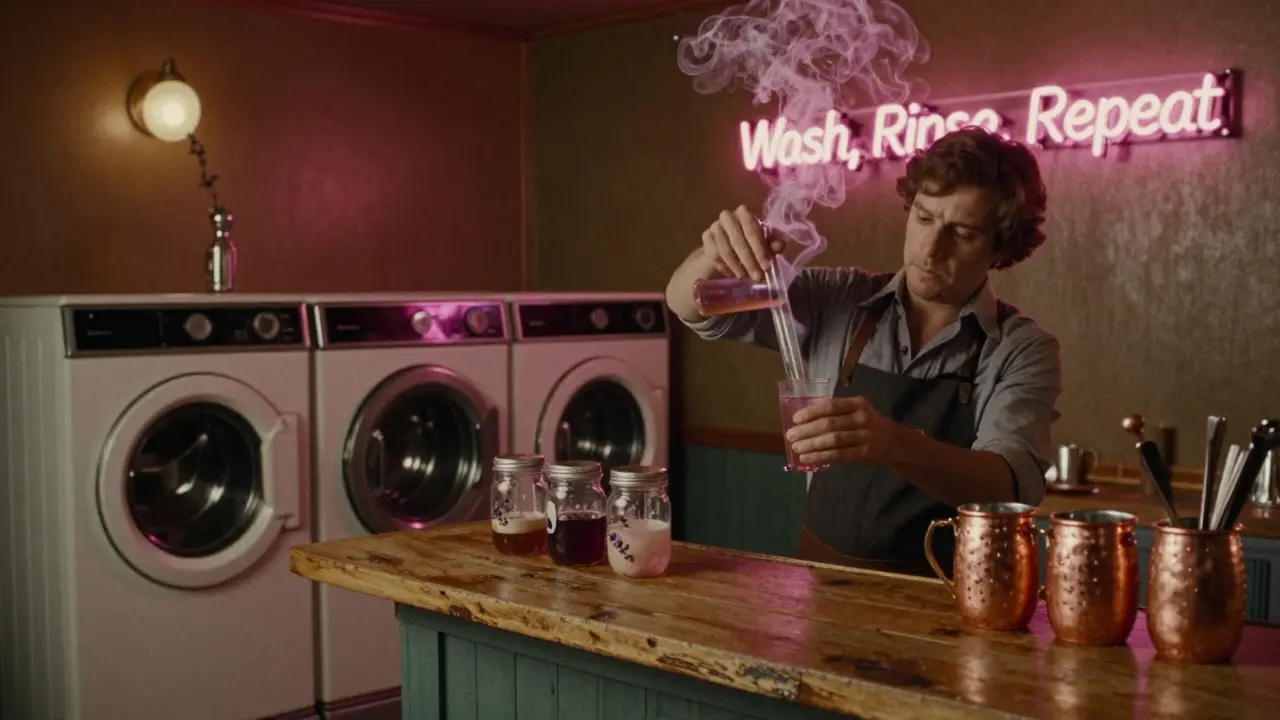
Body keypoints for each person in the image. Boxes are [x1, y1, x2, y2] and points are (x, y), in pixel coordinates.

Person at [665, 126, 1063, 577]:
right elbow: (692, 308)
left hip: (942, 600)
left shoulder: (1021, 349)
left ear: (999, 247)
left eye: (964, 232)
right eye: (925, 218)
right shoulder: (839, 299)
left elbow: (1009, 488)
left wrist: (891, 443)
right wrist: (713, 255)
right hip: (818, 582)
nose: (932, 248)